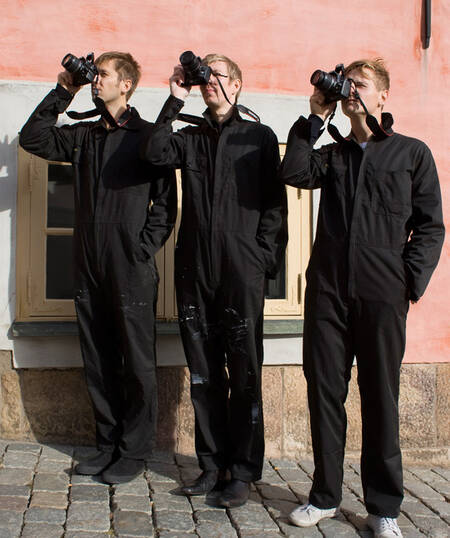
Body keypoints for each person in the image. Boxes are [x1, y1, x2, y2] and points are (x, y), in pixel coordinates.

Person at [279, 58, 444, 537]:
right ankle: (325, 496)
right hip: (329, 292)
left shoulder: (412, 153)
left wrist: (406, 282)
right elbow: (294, 171)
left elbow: (430, 226)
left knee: (380, 397)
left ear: (383, 96)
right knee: (324, 392)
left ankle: (383, 507)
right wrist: (315, 115)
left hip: (382, 295)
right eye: (346, 83)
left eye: (361, 84)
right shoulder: (333, 155)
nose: (351, 90)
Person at [19, 51, 177, 484]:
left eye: (103, 75)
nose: (96, 81)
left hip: (130, 266)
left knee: (137, 362)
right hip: (88, 263)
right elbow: (33, 139)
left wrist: (141, 249)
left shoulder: (148, 137)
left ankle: (134, 451)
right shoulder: (84, 135)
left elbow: (165, 204)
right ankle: (107, 445)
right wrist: (64, 90)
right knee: (98, 358)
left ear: (126, 84)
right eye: (95, 75)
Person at [142, 53, 288, 507]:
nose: (209, 81)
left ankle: (242, 472)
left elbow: (275, 205)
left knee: (244, 373)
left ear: (237, 84)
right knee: (203, 373)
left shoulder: (259, 137)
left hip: (241, 270)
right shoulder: (189, 137)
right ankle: (211, 465)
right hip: (195, 269)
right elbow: (154, 152)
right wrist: (175, 98)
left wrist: (261, 261)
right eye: (205, 75)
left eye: (218, 74)